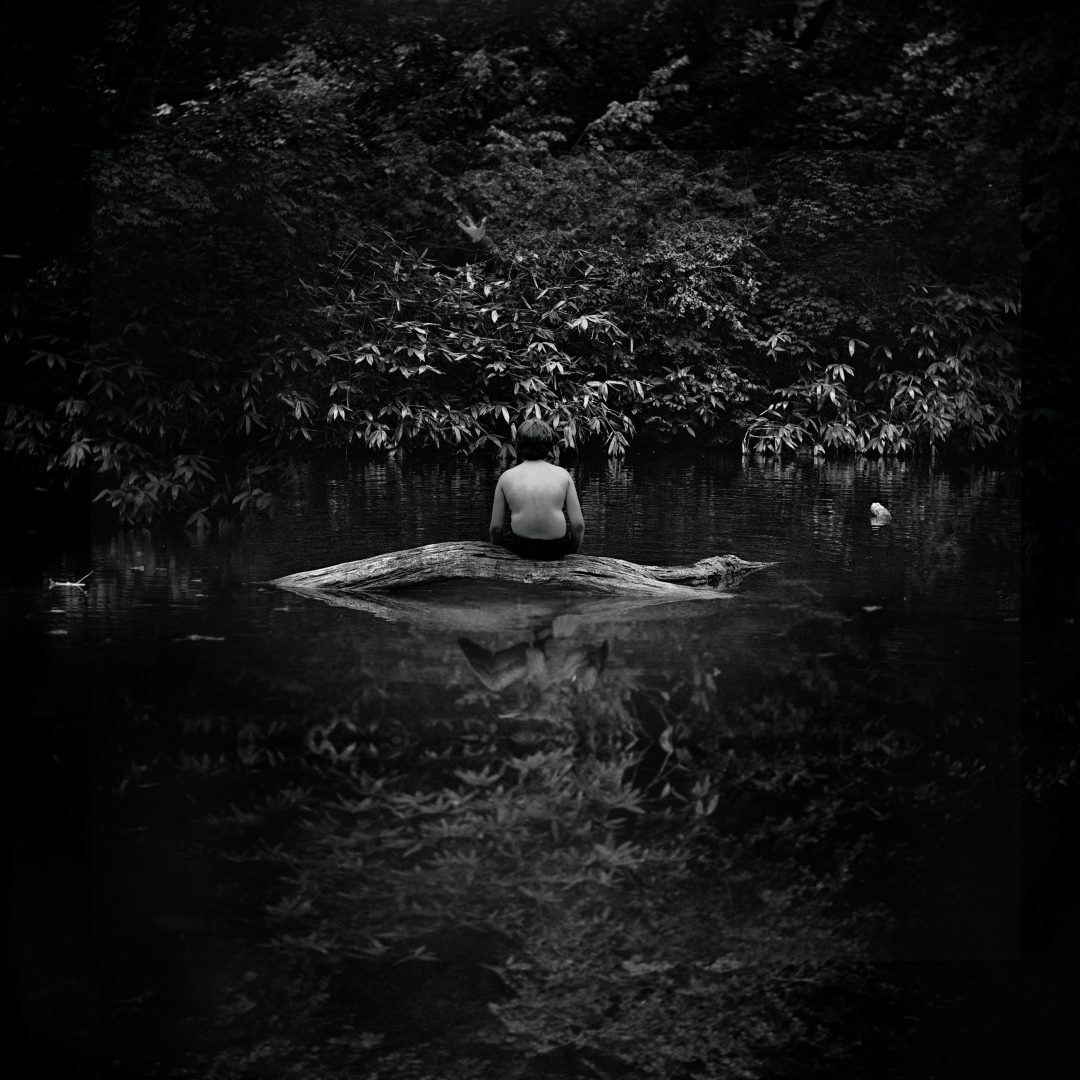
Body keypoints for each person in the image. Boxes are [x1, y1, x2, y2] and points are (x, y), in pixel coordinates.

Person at [489, 419, 585, 560]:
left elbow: (496, 528)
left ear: (518, 445)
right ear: (549, 446)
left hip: (519, 548)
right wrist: (572, 553)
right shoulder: (563, 475)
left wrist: (497, 553)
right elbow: (578, 526)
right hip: (557, 549)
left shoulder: (506, 477)